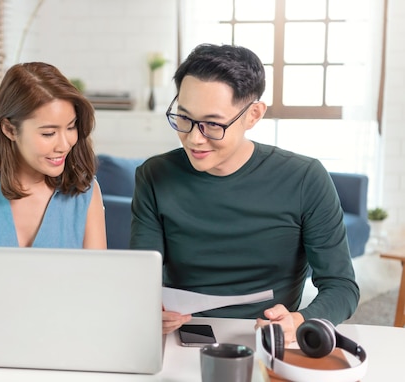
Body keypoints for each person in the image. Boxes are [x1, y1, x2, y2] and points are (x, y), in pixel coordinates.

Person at [130, 44, 359, 344]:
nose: (194, 138)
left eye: (212, 124)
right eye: (183, 118)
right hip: (179, 337)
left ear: (253, 115)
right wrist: (148, 307)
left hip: (268, 340)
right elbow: (139, 279)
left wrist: (298, 321)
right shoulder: (154, 175)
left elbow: (342, 287)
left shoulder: (305, 178)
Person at [0, 62, 107, 320]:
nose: (65, 144)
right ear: (10, 129)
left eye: (71, 127)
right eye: (49, 133)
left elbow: (98, 288)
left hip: (61, 338)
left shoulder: (86, 193)